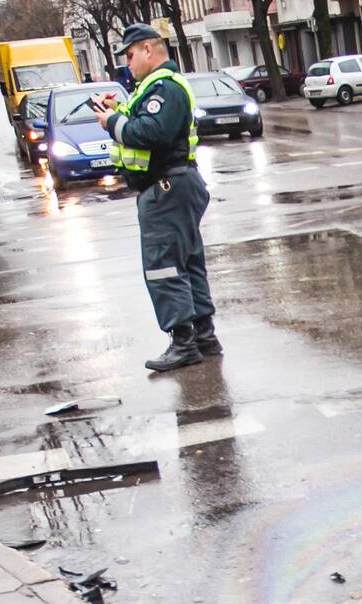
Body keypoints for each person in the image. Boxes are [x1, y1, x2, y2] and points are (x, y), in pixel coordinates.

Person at [93, 24, 222, 372]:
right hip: (176, 186)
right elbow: (148, 121)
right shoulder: (156, 88)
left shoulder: (163, 87)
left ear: (149, 50)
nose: (127, 64)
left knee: (164, 266)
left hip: (167, 189)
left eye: (130, 55)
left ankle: (183, 342)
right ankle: (204, 336)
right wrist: (120, 109)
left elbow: (151, 132)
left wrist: (111, 121)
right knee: (188, 262)